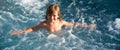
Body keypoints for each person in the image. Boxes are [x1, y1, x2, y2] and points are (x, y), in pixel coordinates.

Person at [12, 4, 95, 35]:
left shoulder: (61, 22)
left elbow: (73, 24)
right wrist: (21, 31)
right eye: (50, 15)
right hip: (49, 37)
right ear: (47, 15)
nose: (52, 18)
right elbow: (33, 28)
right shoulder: (44, 24)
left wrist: (86, 26)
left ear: (58, 15)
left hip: (60, 36)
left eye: (54, 15)